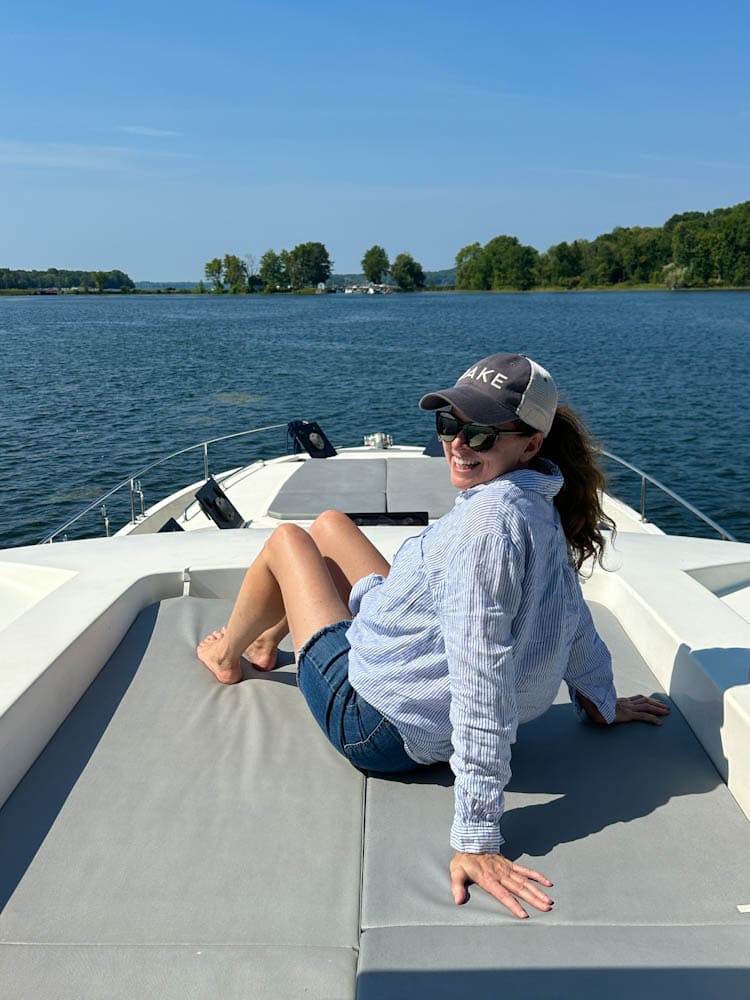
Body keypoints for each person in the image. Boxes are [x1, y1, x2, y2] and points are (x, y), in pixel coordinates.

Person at [197, 352, 669, 919]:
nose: (457, 443)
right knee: (330, 526)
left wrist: (476, 836)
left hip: (375, 721)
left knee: (289, 543)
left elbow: (480, 680)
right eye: (449, 424)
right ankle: (270, 639)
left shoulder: (482, 535)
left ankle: (230, 654)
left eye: (479, 433)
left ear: (530, 443)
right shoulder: (536, 504)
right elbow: (569, 616)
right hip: (406, 662)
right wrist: (600, 701)